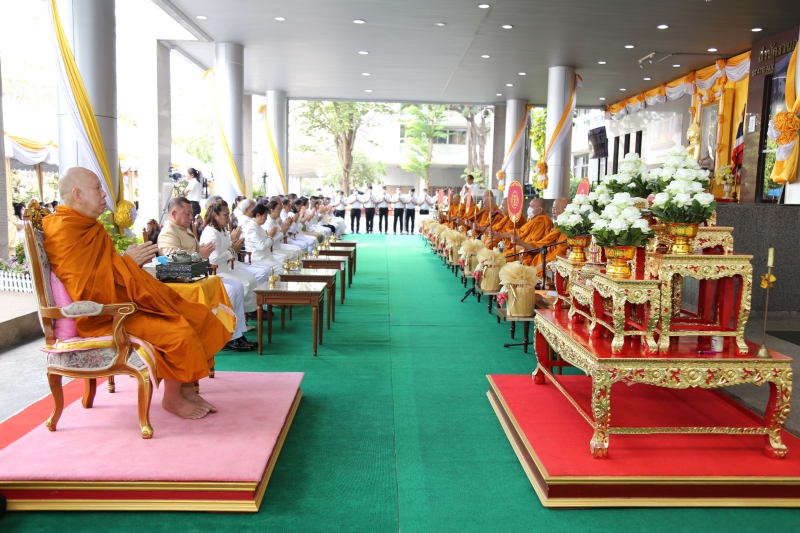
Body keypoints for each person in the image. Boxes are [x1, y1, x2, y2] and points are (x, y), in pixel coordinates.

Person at [45, 167, 229, 419]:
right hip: (102, 316)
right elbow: (86, 289)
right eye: (97, 188)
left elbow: (101, 271)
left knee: (196, 314)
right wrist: (127, 263)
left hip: (118, 302)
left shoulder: (90, 227)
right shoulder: (64, 229)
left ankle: (185, 388)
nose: (104, 195)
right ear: (77, 195)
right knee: (176, 330)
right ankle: (172, 398)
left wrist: (124, 262)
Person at [158, 197, 257, 352]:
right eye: (187, 214)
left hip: (197, 277)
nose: (192, 217)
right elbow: (173, 263)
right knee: (229, 290)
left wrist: (201, 253)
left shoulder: (183, 228)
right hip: (182, 283)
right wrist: (200, 254)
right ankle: (227, 337)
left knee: (237, 286)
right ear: (174, 213)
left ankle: (236, 334)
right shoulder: (168, 233)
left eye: (191, 213)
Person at [200, 200, 272, 301]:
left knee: (251, 279)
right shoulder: (211, 232)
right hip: (217, 272)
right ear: (216, 215)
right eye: (225, 215)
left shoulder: (221, 229)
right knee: (243, 284)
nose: (228, 218)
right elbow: (214, 259)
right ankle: (241, 314)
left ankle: (251, 310)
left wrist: (234, 242)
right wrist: (233, 250)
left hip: (227, 268)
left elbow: (225, 247)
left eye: (228, 215)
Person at [510, 198, 568, 269]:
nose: (553, 212)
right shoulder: (556, 229)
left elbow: (557, 255)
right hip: (539, 258)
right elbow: (540, 245)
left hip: (548, 265)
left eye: (555, 209)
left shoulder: (567, 232)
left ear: (566, 210)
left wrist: (535, 269)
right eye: (553, 209)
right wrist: (519, 242)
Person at [244, 203, 287, 273]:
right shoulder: (252, 228)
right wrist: (270, 237)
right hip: (257, 259)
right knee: (285, 269)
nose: (266, 219)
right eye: (265, 216)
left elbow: (266, 241)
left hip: (265, 257)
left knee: (286, 266)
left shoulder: (258, 226)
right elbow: (261, 246)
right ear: (258, 215)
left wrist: (269, 236)